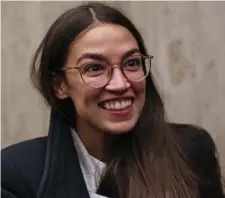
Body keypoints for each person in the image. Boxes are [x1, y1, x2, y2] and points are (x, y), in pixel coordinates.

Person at [1, 2, 224, 198]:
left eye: (132, 63)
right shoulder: (15, 174)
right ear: (60, 85)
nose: (120, 84)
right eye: (95, 68)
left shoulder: (191, 151)